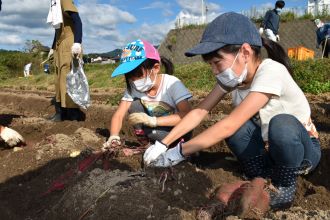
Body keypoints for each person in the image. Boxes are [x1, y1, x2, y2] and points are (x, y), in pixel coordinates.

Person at [144, 12, 321, 212]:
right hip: (269, 149)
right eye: (210, 64)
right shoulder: (235, 78)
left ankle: (285, 183)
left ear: (245, 52)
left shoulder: (271, 71)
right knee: (239, 132)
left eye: (217, 62)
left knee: (280, 125)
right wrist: (164, 144)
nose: (214, 70)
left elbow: (230, 124)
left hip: (302, 152)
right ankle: (260, 174)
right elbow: (199, 112)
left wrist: (180, 152)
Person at [102, 39, 192, 151]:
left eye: (138, 74)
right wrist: (114, 136)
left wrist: (153, 121)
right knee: (134, 104)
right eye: (129, 75)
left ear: (155, 68)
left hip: (176, 133)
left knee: (163, 134)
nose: (134, 80)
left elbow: (188, 115)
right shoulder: (133, 87)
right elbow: (119, 114)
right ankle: (147, 146)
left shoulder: (172, 84)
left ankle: (178, 149)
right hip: (155, 132)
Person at [46, 0, 84, 122]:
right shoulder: (55, 4)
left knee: (68, 79)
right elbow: (57, 31)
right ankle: (60, 112)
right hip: (59, 46)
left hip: (69, 45)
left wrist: (77, 42)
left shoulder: (64, 1)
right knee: (58, 81)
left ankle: (73, 113)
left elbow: (77, 21)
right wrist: (52, 48)